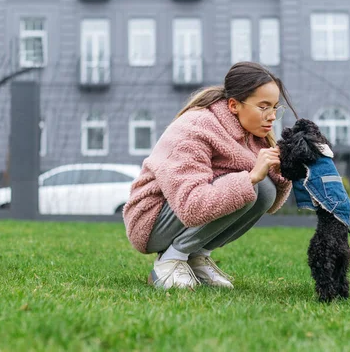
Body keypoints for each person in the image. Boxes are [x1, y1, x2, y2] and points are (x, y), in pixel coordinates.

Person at [123, 61, 298, 290]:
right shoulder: (196, 127)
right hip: (150, 220)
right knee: (250, 186)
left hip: (183, 214)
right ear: (234, 105)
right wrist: (251, 178)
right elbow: (191, 205)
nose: (272, 116)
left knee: (264, 189)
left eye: (275, 107)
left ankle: (197, 257)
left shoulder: (253, 133)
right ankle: (171, 260)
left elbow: (270, 202)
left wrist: (282, 170)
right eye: (263, 106)